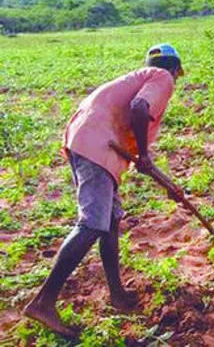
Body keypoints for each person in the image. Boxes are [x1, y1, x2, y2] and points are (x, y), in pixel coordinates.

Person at [23, 44, 185, 337]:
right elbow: (139, 109)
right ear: (175, 69)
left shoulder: (136, 77)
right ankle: (43, 302)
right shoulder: (163, 77)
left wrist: (167, 183)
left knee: (109, 222)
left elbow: (135, 142)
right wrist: (145, 155)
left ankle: (117, 295)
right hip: (97, 147)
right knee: (92, 223)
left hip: (90, 144)